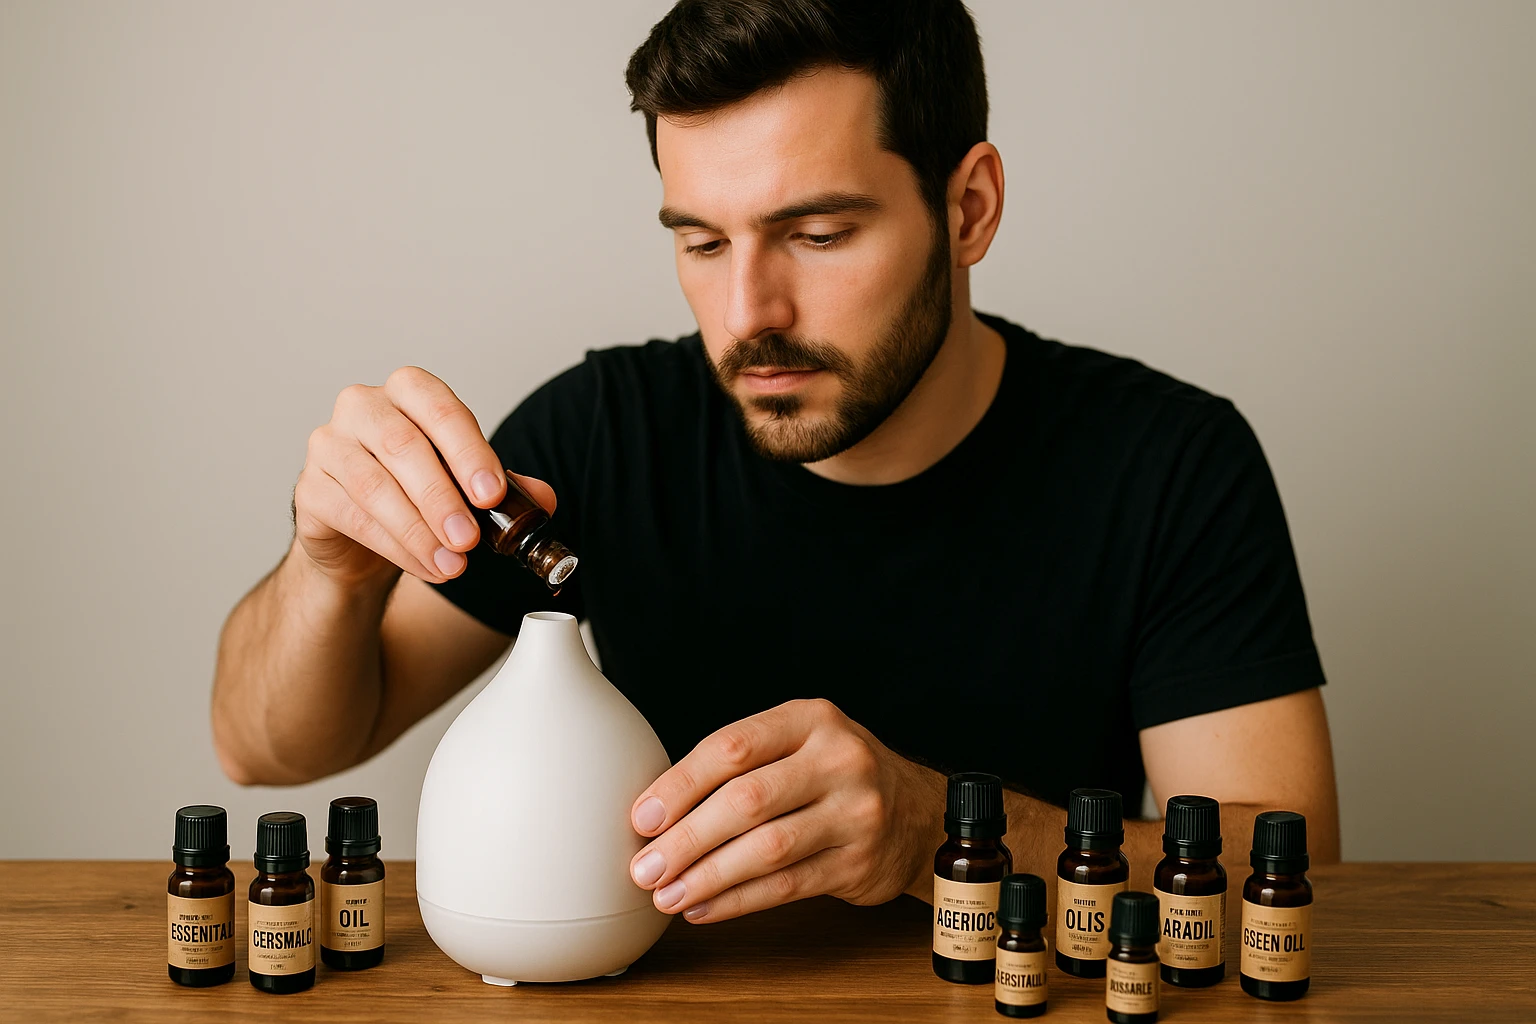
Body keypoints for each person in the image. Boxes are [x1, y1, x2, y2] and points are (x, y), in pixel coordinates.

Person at [213, 0, 1339, 926]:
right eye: (701, 242)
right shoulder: (607, 429)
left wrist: (939, 829)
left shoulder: (1170, 462)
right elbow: (267, 745)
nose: (749, 314)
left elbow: (1297, 866)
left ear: (970, 207)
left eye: (819, 234)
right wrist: (330, 570)